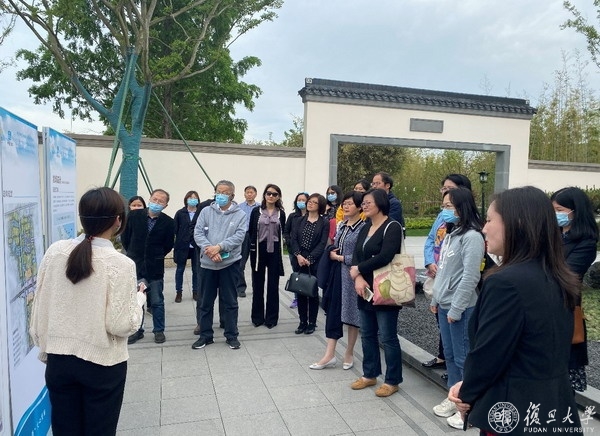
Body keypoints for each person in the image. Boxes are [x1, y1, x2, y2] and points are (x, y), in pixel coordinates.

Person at [448, 186, 582, 434]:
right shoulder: (558, 276)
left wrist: (466, 394)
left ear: (517, 223)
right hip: (553, 405)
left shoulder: (505, 283)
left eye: (489, 220)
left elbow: (489, 353)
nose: (484, 228)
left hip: (512, 410)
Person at [29, 187, 144, 436]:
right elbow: (122, 324)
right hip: (102, 364)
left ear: (82, 217)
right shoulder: (121, 264)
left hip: (58, 360)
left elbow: (40, 305)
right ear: (118, 220)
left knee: (64, 429)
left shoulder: (55, 252)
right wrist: (139, 299)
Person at [429, 187, 484, 429]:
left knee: (463, 358)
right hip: (444, 304)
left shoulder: (472, 237)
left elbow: (470, 277)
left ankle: (468, 406)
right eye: (443, 206)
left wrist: (456, 308)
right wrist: (435, 299)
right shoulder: (451, 234)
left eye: (449, 206)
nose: (445, 211)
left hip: (461, 308)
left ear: (463, 207)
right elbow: (443, 271)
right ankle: (454, 396)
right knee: (450, 355)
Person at [349, 188, 403, 398]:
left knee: (388, 337)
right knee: (367, 333)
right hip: (364, 288)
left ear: (380, 203)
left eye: (368, 202)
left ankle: (392, 380)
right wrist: (358, 277)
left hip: (385, 288)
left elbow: (385, 256)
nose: (364, 205)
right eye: (363, 203)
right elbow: (357, 254)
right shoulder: (366, 227)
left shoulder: (392, 226)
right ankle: (369, 374)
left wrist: (359, 269)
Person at [422, 174, 472, 373]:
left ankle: (459, 376)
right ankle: (444, 358)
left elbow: (470, 274)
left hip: (456, 287)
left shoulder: (470, 233)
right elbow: (431, 239)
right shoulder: (443, 217)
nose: (445, 192)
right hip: (438, 275)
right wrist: (430, 262)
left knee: (459, 338)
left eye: (450, 189)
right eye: (443, 188)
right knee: (442, 322)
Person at [310, 191, 365, 370]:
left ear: (359, 207)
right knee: (333, 312)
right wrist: (332, 253)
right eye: (344, 203)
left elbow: (361, 255)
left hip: (352, 276)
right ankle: (329, 354)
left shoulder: (363, 228)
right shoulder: (342, 225)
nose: (346, 206)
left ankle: (349, 352)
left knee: (352, 314)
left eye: (350, 203)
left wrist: (341, 258)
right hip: (336, 275)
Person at [551, 186, 599, 392]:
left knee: (563, 371)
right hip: (544, 304)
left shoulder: (585, 242)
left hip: (565, 306)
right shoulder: (554, 235)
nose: (555, 215)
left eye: (559, 210)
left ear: (575, 211)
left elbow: (568, 274)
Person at [192, 180, 246, 350]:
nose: (221, 195)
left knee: (230, 302)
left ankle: (231, 335)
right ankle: (205, 336)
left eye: (225, 192)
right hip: (207, 264)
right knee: (205, 302)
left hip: (229, 264)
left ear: (232, 195)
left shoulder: (240, 214)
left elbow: (239, 237)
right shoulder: (206, 211)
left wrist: (219, 248)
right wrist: (210, 250)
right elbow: (198, 232)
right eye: (218, 191)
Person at [122, 188, 175, 344]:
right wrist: (134, 253)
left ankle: (159, 330)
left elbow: (168, 245)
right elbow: (125, 238)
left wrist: (156, 254)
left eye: (161, 201)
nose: (157, 203)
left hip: (155, 266)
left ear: (165, 205)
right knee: (136, 301)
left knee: (157, 301)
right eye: (155, 199)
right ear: (150, 199)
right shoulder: (134, 216)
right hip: (136, 265)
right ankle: (137, 331)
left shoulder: (169, 222)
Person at [290, 193, 329, 335]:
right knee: (300, 291)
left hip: (314, 261)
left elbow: (322, 243)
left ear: (320, 206)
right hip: (299, 260)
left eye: (314, 202)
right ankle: (302, 322)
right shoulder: (299, 220)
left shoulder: (324, 222)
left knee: (312, 292)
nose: (310, 204)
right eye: (309, 201)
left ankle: (312, 322)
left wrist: (310, 258)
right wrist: (299, 255)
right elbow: (293, 239)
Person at [249, 184, 286, 328]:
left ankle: (271, 318)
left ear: (278, 197)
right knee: (257, 284)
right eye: (269, 193)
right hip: (259, 250)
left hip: (275, 250)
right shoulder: (256, 211)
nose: (271, 196)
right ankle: (257, 317)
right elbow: (251, 231)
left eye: (274, 194)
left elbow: (283, 232)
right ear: (264, 195)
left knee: (273, 285)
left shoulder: (281, 213)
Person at [173, 190, 201, 303]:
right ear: (186, 199)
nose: (192, 200)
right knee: (180, 269)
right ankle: (179, 292)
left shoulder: (200, 213)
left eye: (195, 198)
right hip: (182, 245)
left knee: (196, 270)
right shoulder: (180, 213)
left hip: (196, 246)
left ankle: (196, 291)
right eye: (190, 198)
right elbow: (175, 229)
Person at [283, 192, 309, 309]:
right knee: (297, 273)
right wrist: (290, 242)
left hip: (307, 251)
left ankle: (307, 296)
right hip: (294, 251)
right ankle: (297, 298)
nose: (301, 202)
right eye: (299, 200)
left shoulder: (311, 216)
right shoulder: (292, 216)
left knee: (308, 274)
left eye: (303, 200)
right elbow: (286, 231)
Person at [237, 185, 260, 298]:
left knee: (256, 264)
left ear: (255, 194)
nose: (249, 194)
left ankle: (256, 288)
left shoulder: (260, 207)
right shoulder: (239, 207)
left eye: (251, 192)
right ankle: (241, 288)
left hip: (257, 236)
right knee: (240, 263)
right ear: (244, 194)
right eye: (247, 192)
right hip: (244, 236)